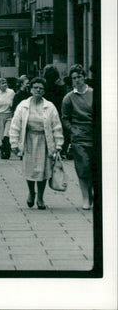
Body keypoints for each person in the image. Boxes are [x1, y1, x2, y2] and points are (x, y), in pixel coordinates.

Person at [9, 77, 64, 210]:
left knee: (43, 170)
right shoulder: (23, 105)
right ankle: (31, 192)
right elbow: (16, 124)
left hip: (44, 141)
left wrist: (58, 144)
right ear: (31, 89)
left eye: (41, 88)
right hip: (28, 140)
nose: (38, 90)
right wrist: (14, 143)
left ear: (44, 91)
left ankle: (40, 197)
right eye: (35, 88)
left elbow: (56, 126)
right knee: (30, 169)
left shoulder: (49, 106)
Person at [61, 64, 95, 210]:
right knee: (83, 168)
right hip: (79, 137)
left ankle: (93, 193)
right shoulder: (68, 98)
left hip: (94, 135)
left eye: (79, 77)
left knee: (95, 168)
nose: (77, 80)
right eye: (74, 78)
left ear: (84, 77)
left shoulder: (94, 93)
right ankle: (86, 198)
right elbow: (65, 118)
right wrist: (72, 130)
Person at [42, 65, 68, 157]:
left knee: (49, 128)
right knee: (59, 128)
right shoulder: (61, 87)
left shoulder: (45, 87)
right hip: (59, 109)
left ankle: (50, 148)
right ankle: (61, 148)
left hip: (48, 109)